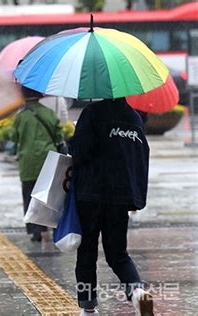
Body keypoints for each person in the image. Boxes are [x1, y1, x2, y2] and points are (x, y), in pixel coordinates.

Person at [68, 98, 153, 316]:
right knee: (118, 253)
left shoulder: (93, 112)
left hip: (90, 194)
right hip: (120, 196)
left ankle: (88, 307)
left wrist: (72, 140)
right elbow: (140, 158)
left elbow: (80, 152)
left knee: (87, 250)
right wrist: (135, 194)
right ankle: (138, 292)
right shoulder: (133, 117)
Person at [11, 85, 63, 242]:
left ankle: (36, 231)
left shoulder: (21, 116)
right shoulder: (49, 113)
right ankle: (53, 227)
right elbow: (58, 135)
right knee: (50, 196)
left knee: (30, 195)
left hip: (28, 163)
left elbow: (14, 138)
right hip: (48, 160)